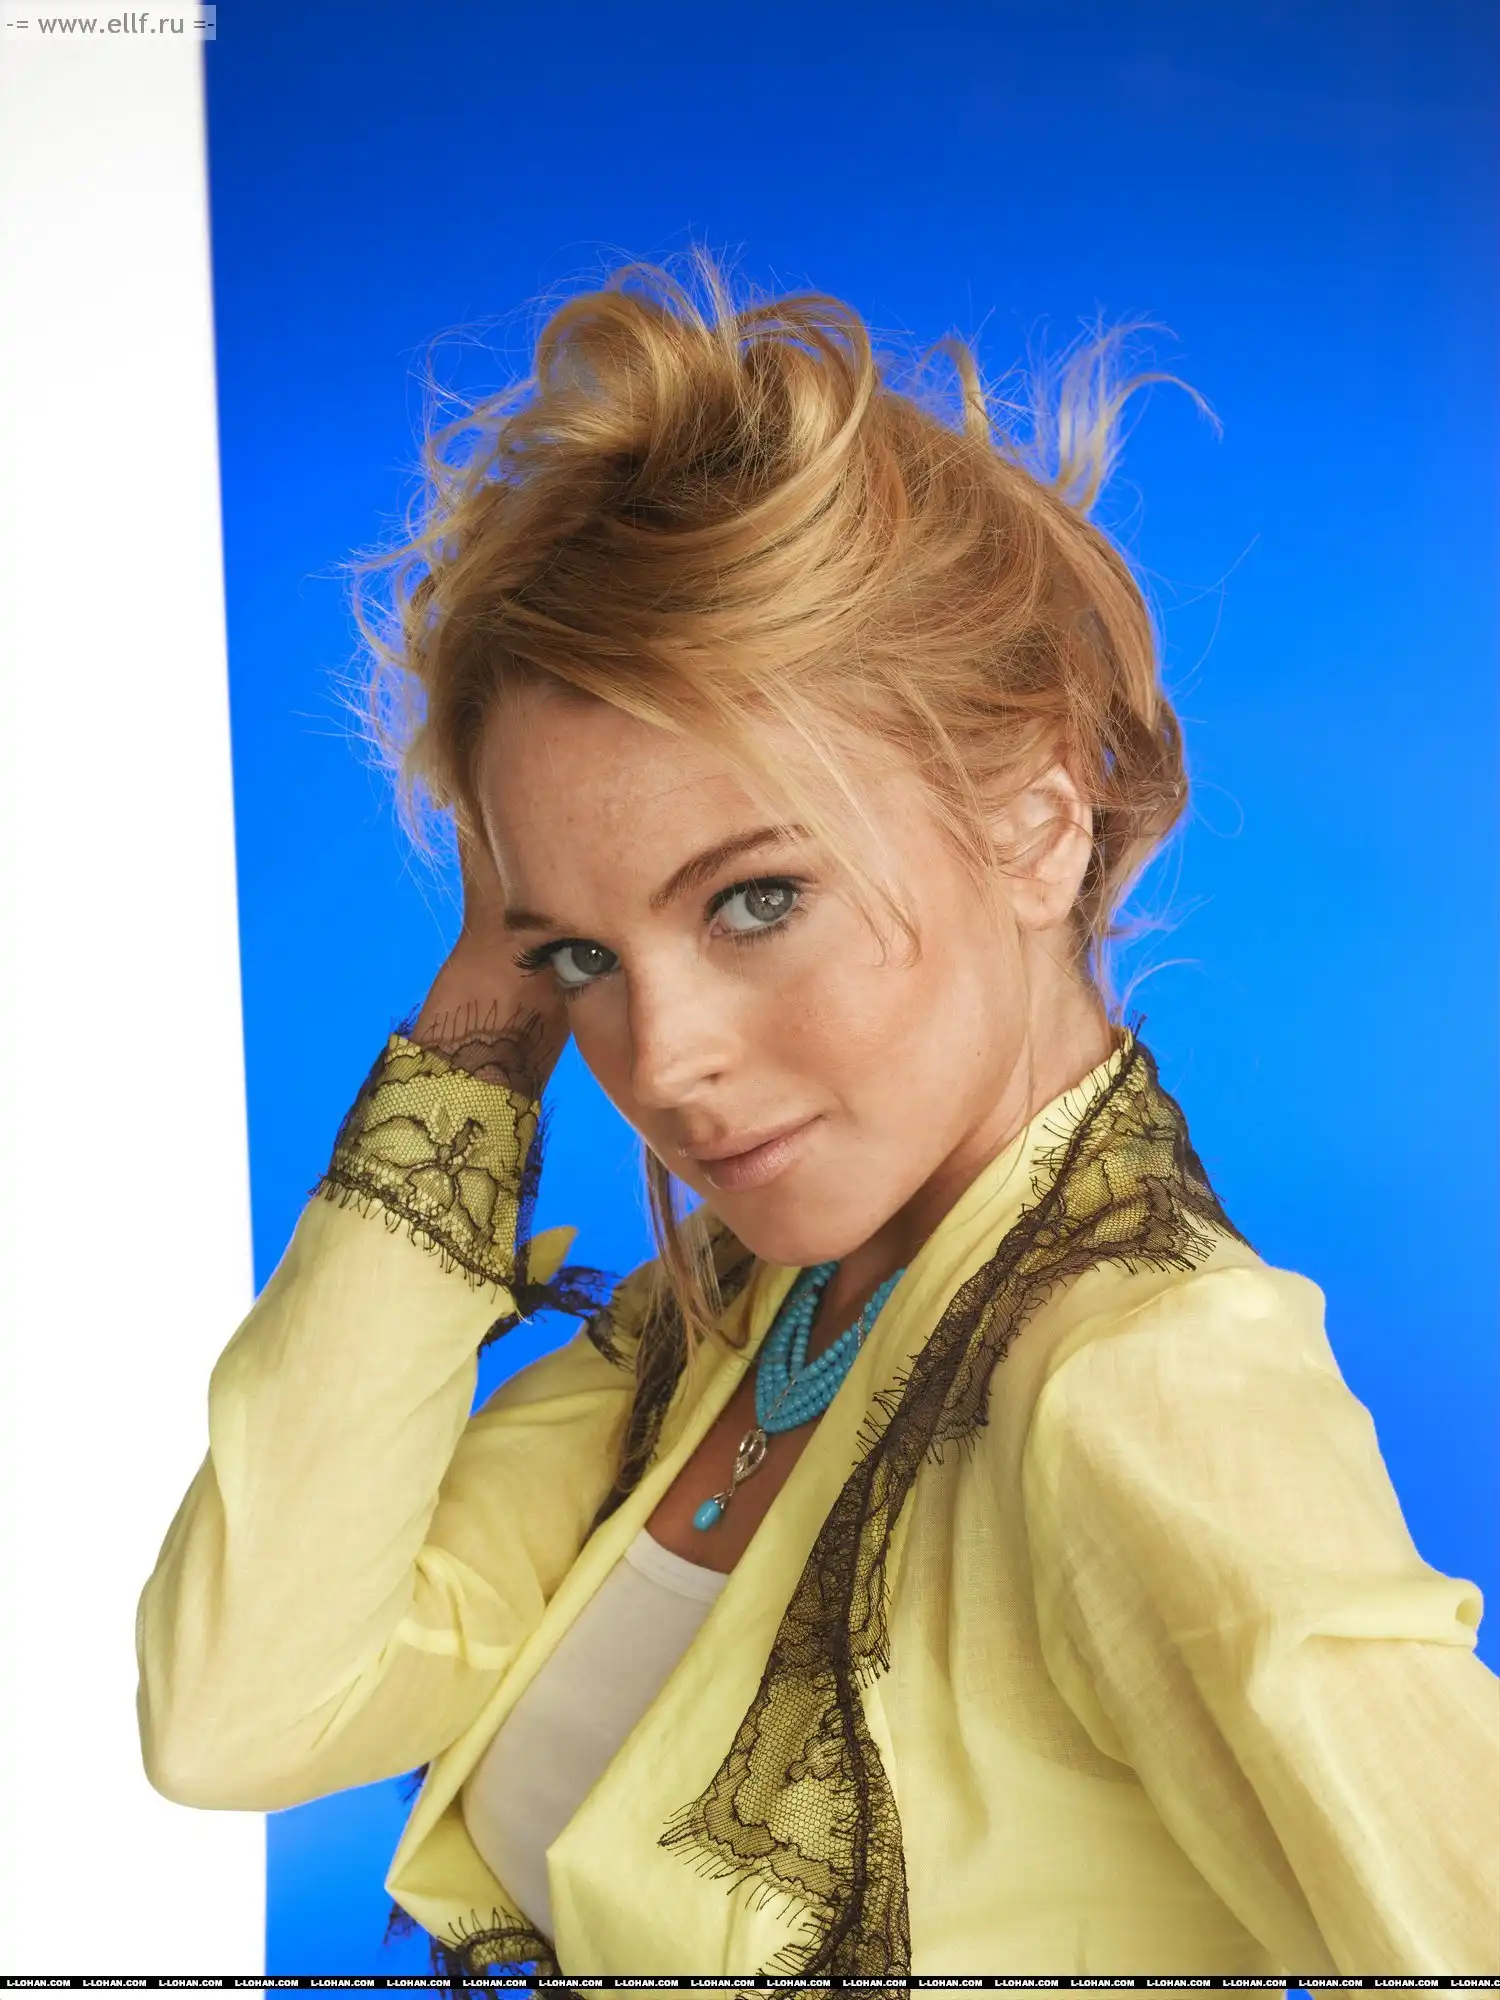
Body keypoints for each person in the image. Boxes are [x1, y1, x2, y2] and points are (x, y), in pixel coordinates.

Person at [135, 254, 1500, 1997]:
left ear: (1038, 825)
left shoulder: (1138, 1377)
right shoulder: (732, 1327)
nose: (664, 1061)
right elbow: (241, 1708)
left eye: (756, 900)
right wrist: (493, 984)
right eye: (583, 957)